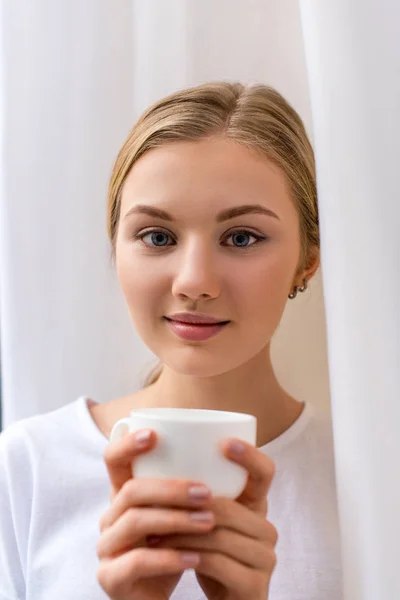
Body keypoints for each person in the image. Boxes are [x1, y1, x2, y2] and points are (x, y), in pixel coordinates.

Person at [0, 81, 343, 599]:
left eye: (242, 237)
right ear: (116, 248)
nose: (194, 281)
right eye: (157, 237)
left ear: (307, 260)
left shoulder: (369, 481)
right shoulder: (25, 470)